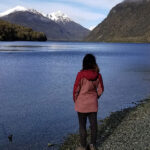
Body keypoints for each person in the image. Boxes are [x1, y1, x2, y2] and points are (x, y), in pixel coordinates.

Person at [73, 54, 104, 150]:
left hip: (81, 105)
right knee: (94, 126)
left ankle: (82, 146)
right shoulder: (98, 75)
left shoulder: (80, 75)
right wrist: (95, 97)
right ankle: (92, 145)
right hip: (92, 105)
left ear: (84, 63)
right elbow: (101, 89)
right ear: (94, 63)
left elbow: (75, 90)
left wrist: (76, 101)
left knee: (82, 127)